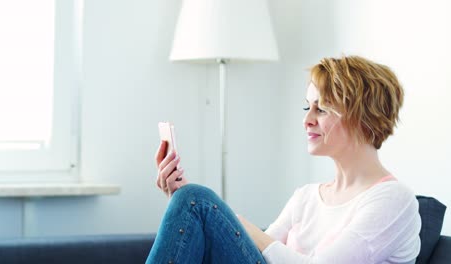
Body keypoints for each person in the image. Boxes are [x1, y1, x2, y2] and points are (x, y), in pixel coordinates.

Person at [146, 55, 421, 264]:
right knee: (191, 199)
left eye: (321, 109)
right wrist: (186, 202)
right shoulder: (306, 197)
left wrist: (235, 220)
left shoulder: (393, 200)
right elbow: (252, 252)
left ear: (364, 119)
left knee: (198, 200)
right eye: (307, 106)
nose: (307, 120)